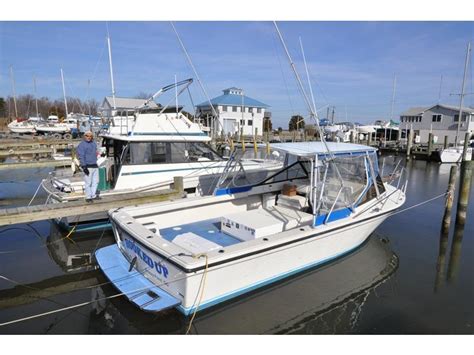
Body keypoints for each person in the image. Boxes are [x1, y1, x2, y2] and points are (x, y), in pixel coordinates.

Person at [76, 131, 100, 202]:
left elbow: (96, 152)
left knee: (96, 181)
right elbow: (81, 156)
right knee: (88, 182)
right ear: (84, 136)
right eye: (87, 136)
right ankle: (88, 197)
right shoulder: (82, 145)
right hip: (88, 166)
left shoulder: (94, 143)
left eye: (90, 136)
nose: (89, 137)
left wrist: (100, 154)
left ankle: (93, 195)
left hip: (95, 165)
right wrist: (84, 166)